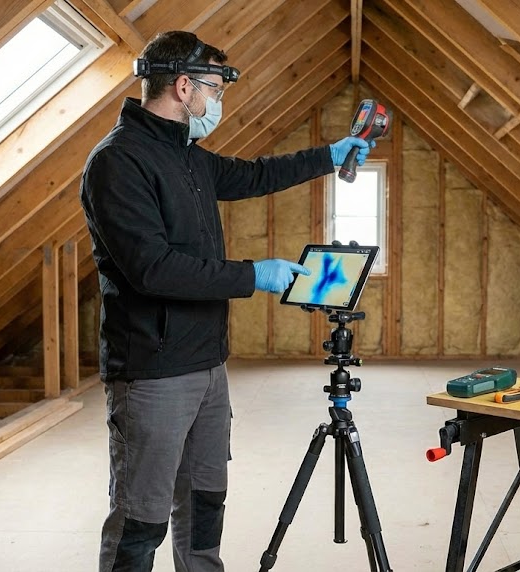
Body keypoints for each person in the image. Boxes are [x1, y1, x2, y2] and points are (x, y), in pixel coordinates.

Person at [79, 30, 372, 572]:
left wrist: (329, 157)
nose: (218, 101)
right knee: (141, 518)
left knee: (204, 501)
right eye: (214, 89)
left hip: (208, 364)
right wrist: (253, 275)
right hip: (153, 371)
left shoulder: (186, 155)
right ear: (183, 86)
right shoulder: (118, 162)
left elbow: (253, 175)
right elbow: (153, 269)